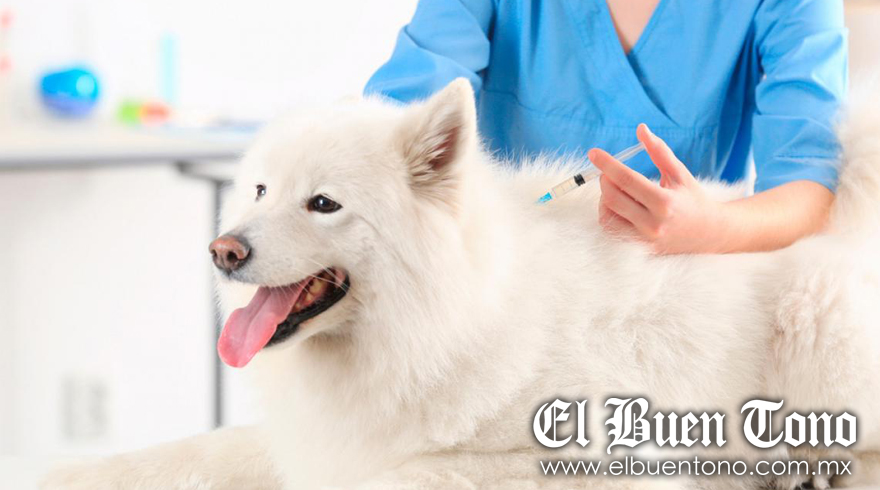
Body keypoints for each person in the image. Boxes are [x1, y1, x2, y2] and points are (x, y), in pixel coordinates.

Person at [364, 0, 848, 254]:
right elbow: (391, 126)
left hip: (677, 295)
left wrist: (711, 227)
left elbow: (809, 190)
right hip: (506, 278)